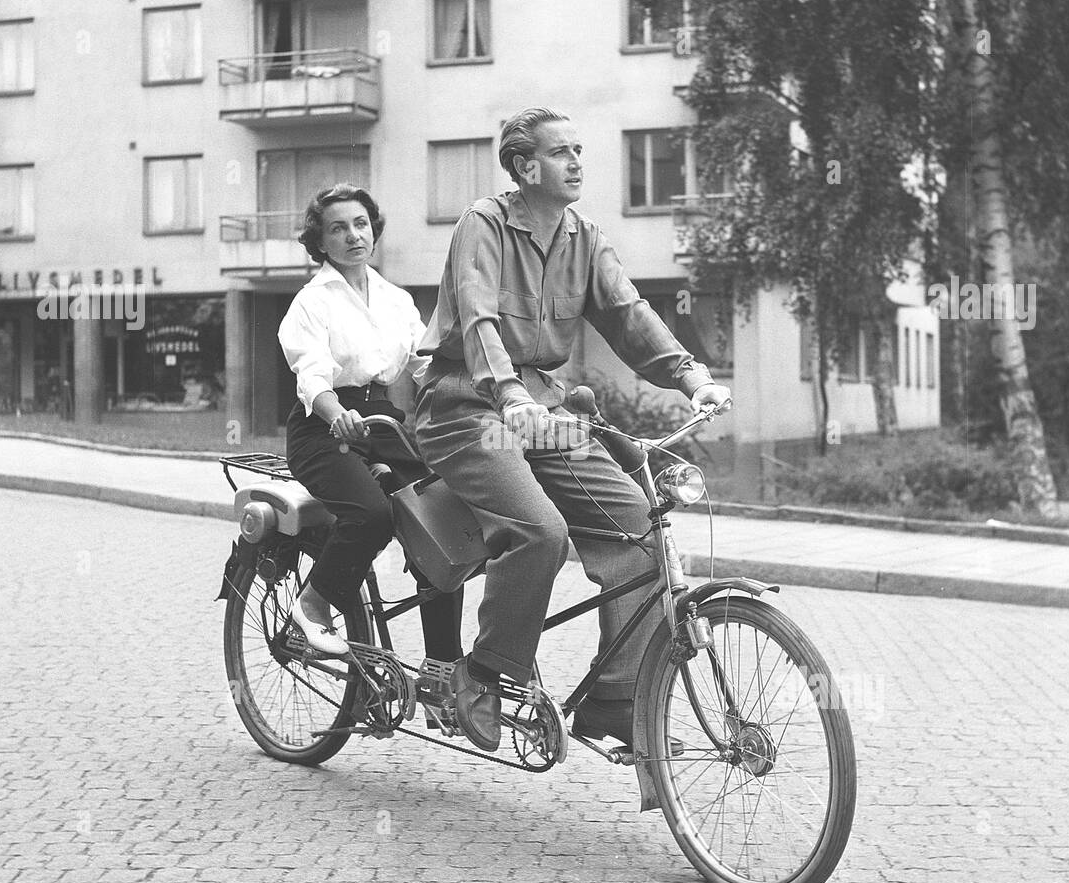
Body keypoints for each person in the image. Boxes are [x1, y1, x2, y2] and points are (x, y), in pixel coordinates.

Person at [414, 108, 731, 752]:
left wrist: (692, 375)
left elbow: (627, 312)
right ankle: (486, 670)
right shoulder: (483, 224)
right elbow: (478, 319)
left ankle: (614, 696)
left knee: (639, 525)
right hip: (466, 408)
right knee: (542, 532)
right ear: (526, 167)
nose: (578, 162)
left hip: (544, 409)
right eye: (563, 153)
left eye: (580, 150)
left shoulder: (584, 235)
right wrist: (506, 394)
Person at [278, 183, 463, 664]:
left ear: (373, 231)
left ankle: (443, 667)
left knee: (441, 527)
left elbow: (427, 366)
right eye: (338, 228)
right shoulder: (311, 302)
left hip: (383, 424)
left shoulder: (395, 299)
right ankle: (313, 604)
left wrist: (480, 391)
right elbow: (311, 375)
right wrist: (336, 415)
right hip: (323, 430)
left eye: (361, 224)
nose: (353, 236)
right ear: (320, 241)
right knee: (372, 515)